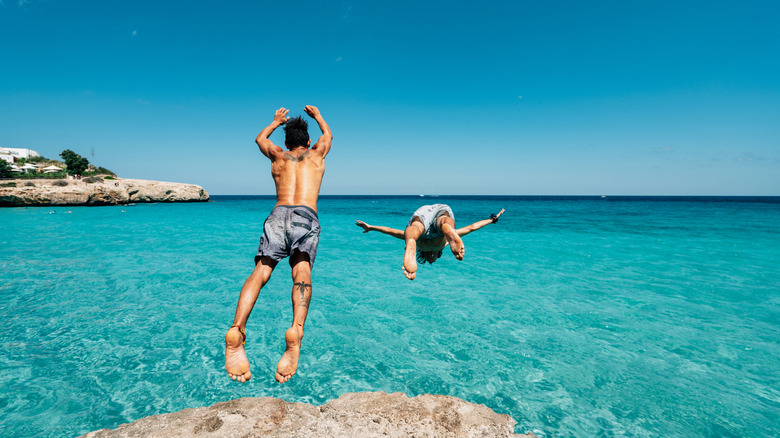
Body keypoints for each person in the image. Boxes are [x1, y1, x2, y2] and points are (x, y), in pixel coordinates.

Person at [225, 105, 332, 383]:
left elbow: (260, 140)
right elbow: (328, 136)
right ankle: (296, 329)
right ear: (308, 142)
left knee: (261, 272)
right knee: (302, 273)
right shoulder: (317, 153)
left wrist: (274, 122)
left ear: (286, 142)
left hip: (277, 214)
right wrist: (318, 117)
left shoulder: (278, 156)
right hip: (305, 216)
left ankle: (237, 328)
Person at [355, 205, 505, 280]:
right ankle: (442, 229)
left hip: (428, 214)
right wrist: (492, 220)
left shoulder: (444, 243)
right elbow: (390, 230)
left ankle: (420, 238)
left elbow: (472, 228)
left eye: (430, 261)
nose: (432, 262)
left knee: (417, 229)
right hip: (432, 215)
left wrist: (372, 227)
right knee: (423, 228)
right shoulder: (441, 243)